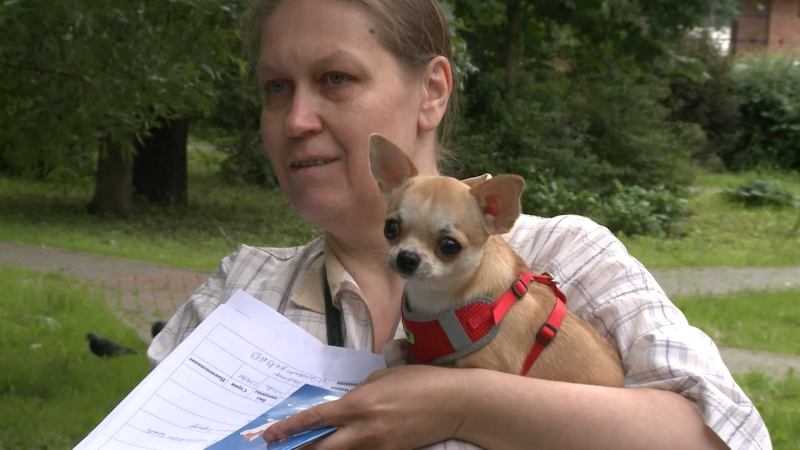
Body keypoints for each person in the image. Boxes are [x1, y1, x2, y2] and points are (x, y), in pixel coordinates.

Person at [147, 0, 772, 449]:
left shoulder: (571, 258)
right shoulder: (241, 293)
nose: (296, 119)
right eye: (276, 87)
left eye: (336, 78)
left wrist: (465, 404)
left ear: (432, 91)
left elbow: (725, 434)